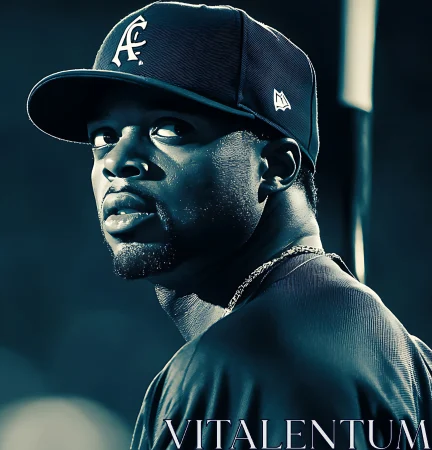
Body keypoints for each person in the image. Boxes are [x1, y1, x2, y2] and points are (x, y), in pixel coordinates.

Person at [26, 2, 432, 449]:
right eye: (104, 137)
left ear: (276, 166)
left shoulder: (238, 365)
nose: (118, 161)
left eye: (169, 129)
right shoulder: (409, 362)